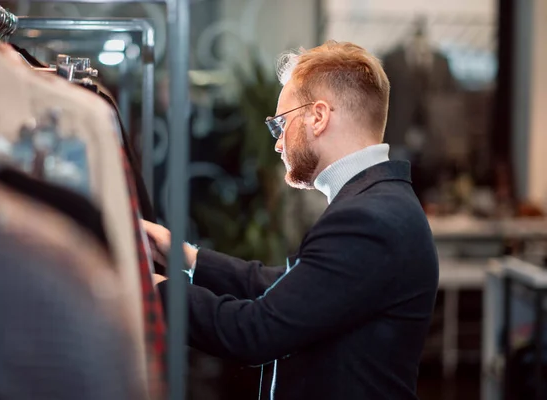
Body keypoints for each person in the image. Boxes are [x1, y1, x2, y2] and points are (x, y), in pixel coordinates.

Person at [144, 40, 439, 400]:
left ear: (318, 116)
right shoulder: (378, 202)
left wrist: (151, 288)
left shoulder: (367, 218)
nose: (278, 143)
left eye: (280, 124)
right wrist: (186, 258)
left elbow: (254, 331)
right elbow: (288, 285)